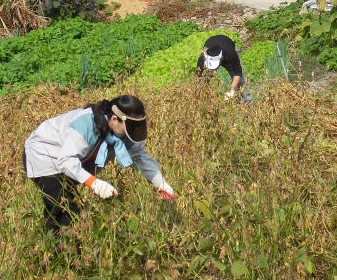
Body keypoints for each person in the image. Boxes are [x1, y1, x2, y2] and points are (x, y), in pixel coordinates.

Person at [23, 95, 176, 232]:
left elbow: (140, 156)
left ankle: (51, 250)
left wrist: (161, 183)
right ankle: (60, 257)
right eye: (131, 126)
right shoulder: (86, 125)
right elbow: (67, 160)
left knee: (60, 209)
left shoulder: (122, 131)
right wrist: (94, 183)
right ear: (115, 119)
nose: (134, 131)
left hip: (72, 161)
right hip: (44, 155)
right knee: (66, 211)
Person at [196, 34, 252, 102]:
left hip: (228, 48)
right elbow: (199, 79)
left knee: (241, 83)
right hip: (213, 47)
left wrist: (231, 90)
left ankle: (247, 103)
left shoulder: (230, 53)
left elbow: (238, 73)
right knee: (205, 80)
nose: (214, 70)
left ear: (222, 58)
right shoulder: (203, 59)